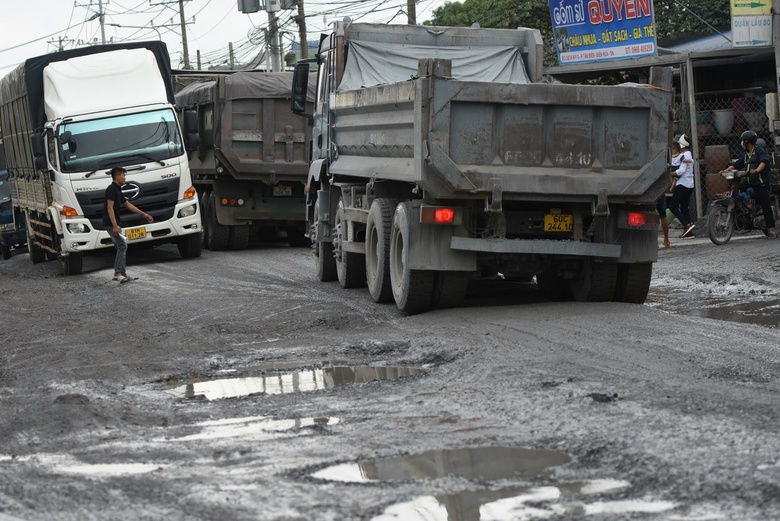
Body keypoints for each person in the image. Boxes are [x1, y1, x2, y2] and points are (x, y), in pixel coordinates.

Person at [720, 130, 776, 238]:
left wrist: (757, 170)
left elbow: (764, 162)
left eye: (742, 141)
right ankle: (746, 208)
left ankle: (771, 227)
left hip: (760, 182)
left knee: (765, 204)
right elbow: (736, 165)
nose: (741, 143)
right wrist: (725, 170)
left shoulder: (759, 151)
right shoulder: (745, 154)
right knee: (736, 189)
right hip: (750, 181)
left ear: (747, 141)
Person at [102, 167, 154, 282]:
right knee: (122, 246)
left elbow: (129, 205)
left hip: (114, 223)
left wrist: (144, 215)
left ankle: (124, 275)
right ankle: (117, 273)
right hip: (111, 223)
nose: (125, 178)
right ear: (117, 177)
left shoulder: (117, 189)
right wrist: (115, 225)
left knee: (121, 246)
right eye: (123, 175)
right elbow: (109, 208)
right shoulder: (111, 189)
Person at [669, 135, 696, 238]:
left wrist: (670, 174)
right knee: (684, 207)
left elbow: (681, 171)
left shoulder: (685, 155)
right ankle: (689, 232)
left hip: (683, 185)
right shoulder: (688, 154)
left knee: (673, 206)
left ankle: (687, 224)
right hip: (689, 185)